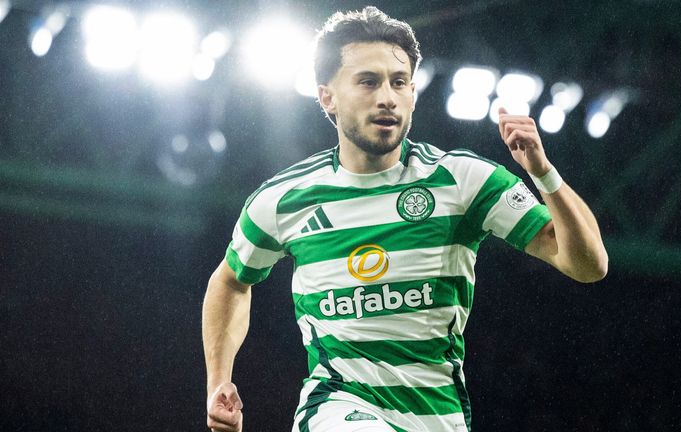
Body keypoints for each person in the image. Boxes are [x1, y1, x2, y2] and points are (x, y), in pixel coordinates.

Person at [203, 6, 608, 432]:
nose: (387, 97)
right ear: (328, 97)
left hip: (440, 417)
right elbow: (230, 281)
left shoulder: (463, 180)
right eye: (368, 81)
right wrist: (218, 383)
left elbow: (587, 265)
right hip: (337, 407)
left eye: (399, 83)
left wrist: (543, 172)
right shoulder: (284, 200)